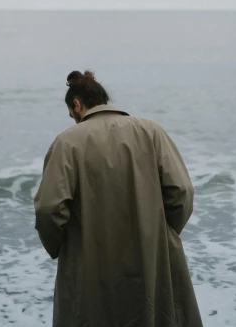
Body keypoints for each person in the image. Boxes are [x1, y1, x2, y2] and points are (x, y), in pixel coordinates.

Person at [34, 70, 203, 327]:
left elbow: (49, 208)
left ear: (77, 104)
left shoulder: (67, 142)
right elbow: (182, 191)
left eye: (71, 115)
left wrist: (61, 247)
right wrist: (160, 234)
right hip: (151, 257)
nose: (73, 121)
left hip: (90, 262)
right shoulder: (151, 130)